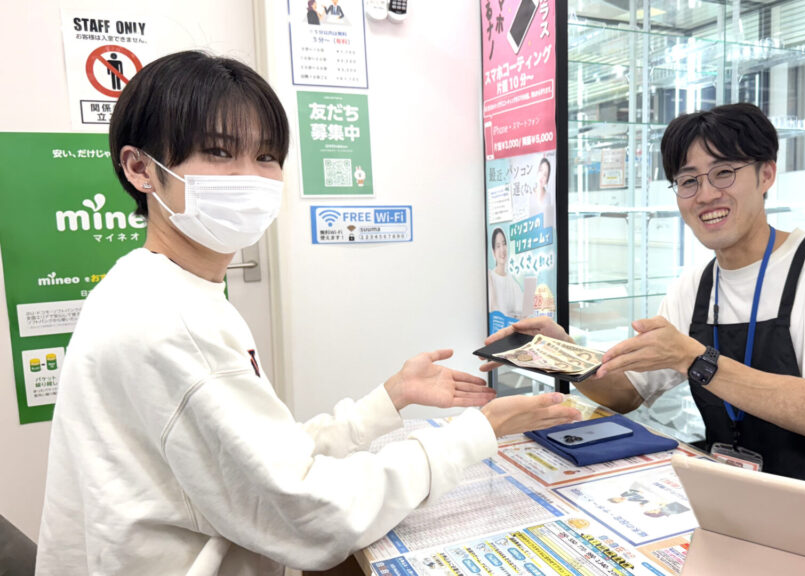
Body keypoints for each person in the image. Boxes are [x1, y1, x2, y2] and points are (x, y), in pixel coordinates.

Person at [36, 51, 580, 575]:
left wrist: (389, 398)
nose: (250, 177)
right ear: (141, 169)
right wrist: (478, 432)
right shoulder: (169, 322)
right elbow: (311, 515)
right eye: (220, 153)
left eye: (266, 157)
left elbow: (264, 459)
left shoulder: (156, 286)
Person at [483, 103, 805, 495]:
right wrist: (560, 353)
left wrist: (695, 360)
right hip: (727, 496)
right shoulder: (694, 286)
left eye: (724, 173)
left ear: (766, 173)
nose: (706, 194)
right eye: (689, 181)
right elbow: (627, 393)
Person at [487, 226, 524, 318]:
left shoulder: (512, 282)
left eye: (504, 244)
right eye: (498, 246)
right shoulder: (490, 277)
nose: (502, 250)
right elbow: (493, 310)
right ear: (493, 252)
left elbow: (522, 314)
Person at [528, 156, 554, 227]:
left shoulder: (548, 196)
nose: (542, 176)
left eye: (545, 175)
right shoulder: (530, 196)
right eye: (540, 170)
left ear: (547, 180)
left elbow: (549, 221)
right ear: (537, 172)